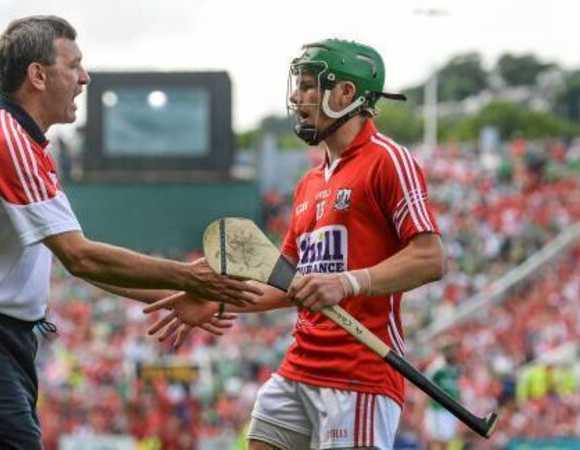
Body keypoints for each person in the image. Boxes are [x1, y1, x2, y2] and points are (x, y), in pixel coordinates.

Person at [0, 15, 259, 450]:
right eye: (73, 65)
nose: (84, 77)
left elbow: (79, 262)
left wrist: (172, 294)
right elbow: (80, 257)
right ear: (37, 75)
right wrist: (187, 277)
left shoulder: (25, 142)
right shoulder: (8, 141)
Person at [146, 39, 446, 450]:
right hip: (299, 368)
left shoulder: (388, 160)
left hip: (359, 375)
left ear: (346, 93)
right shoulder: (309, 182)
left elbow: (430, 258)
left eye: (307, 86)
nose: (295, 97)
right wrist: (217, 302)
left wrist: (347, 283)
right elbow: (285, 281)